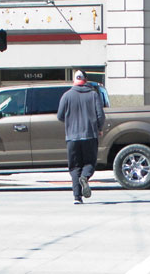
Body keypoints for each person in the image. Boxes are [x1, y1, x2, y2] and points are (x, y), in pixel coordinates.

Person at [57, 70, 106, 204]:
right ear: (86, 80)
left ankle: (77, 197)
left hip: (72, 137)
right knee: (90, 162)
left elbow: (60, 116)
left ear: (74, 80)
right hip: (90, 135)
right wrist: (99, 128)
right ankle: (85, 177)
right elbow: (100, 116)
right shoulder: (93, 95)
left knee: (74, 167)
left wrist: (70, 121)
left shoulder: (66, 96)